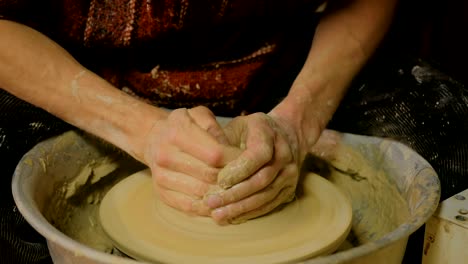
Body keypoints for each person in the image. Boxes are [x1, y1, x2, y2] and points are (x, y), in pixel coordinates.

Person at [4, 0, 466, 263]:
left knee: (449, 140)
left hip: (286, 72)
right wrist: (141, 130)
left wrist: (301, 120)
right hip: (83, 77)